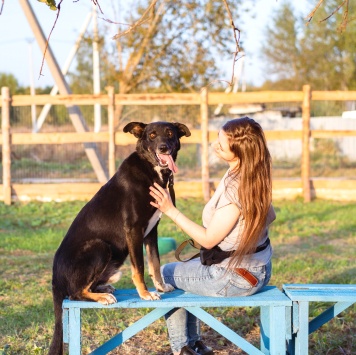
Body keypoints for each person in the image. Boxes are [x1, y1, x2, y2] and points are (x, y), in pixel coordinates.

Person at [149, 117, 276, 355]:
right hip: (259, 269)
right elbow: (271, 216)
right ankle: (195, 344)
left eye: (221, 142)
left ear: (238, 150)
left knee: (165, 273)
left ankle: (181, 349)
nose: (215, 145)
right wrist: (239, 239)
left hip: (235, 278)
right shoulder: (254, 174)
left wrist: (170, 210)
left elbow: (208, 240)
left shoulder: (235, 187)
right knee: (186, 271)